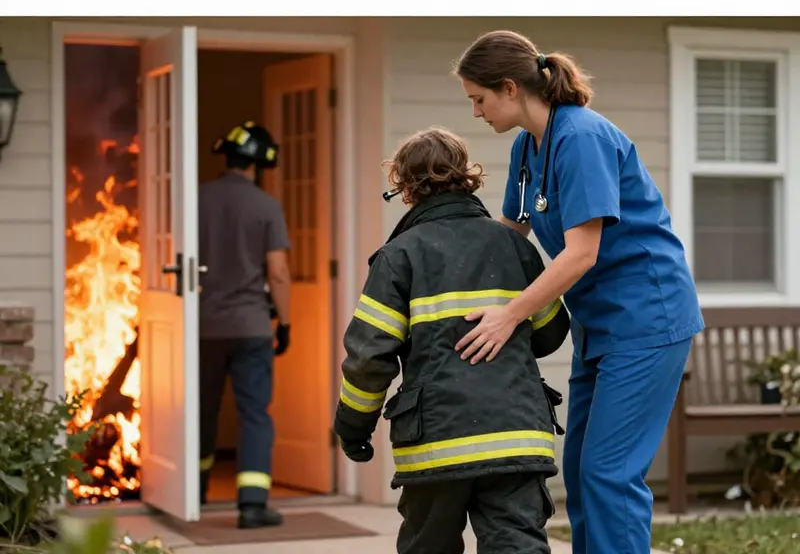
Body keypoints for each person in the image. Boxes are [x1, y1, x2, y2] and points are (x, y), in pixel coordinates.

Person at [452, 30, 705, 554]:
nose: (476, 112)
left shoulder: (582, 138)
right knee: (582, 470)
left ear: (509, 88)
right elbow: (510, 234)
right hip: (599, 325)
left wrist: (510, 315)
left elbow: (581, 254)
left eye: (479, 99)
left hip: (646, 318)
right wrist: (442, 257)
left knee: (609, 473)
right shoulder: (527, 146)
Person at [333, 127, 571, 554]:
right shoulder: (514, 245)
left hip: (435, 446)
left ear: (405, 187)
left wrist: (353, 428)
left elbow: (369, 359)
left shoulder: (398, 256)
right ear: (467, 176)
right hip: (516, 436)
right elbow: (550, 333)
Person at [197, 121, 292, 529]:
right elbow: (279, 272)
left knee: (201, 411)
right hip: (252, 327)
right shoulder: (265, 206)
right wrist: (285, 322)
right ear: (258, 165)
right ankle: (252, 505)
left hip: (202, 327)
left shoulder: (195, 200)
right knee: (254, 413)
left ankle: (192, 491)